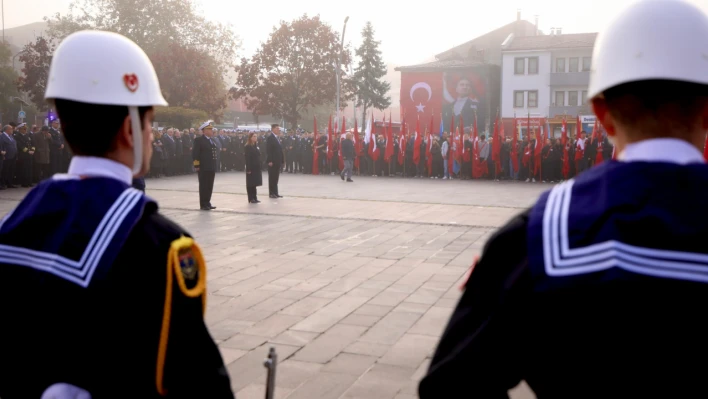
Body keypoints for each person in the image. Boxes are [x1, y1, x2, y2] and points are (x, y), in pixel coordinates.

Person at [419, 1, 708, 398]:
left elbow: (453, 385)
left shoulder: (541, 236)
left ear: (601, 113)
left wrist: (501, 272)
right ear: (707, 110)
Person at [0, 31, 233, 398]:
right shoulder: (158, 245)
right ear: (129, 130)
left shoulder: (14, 226)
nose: (153, 136)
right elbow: (200, 385)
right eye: (149, 123)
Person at [192, 120, 218, 211]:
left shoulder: (211, 140)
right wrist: (196, 165)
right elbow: (195, 154)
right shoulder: (199, 140)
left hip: (211, 166)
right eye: (209, 129)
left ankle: (208, 202)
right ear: (204, 131)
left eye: (211, 129)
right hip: (203, 167)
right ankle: (203, 204)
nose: (212, 131)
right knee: (203, 186)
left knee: (209, 185)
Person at [266, 123, 284, 198]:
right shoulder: (270, 138)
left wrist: (282, 160)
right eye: (277, 128)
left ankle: (275, 192)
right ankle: (271, 193)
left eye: (278, 128)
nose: (278, 130)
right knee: (272, 177)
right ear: (273, 129)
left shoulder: (277, 137)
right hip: (272, 161)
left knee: (276, 177)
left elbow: (280, 150)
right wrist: (269, 160)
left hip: (277, 161)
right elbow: (269, 150)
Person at [244, 132, 262, 203]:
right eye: (254, 136)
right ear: (250, 138)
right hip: (251, 167)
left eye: (256, 136)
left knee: (254, 183)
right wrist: (248, 168)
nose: (255, 138)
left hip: (256, 167)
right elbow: (247, 158)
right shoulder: (248, 146)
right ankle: (251, 198)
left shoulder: (255, 145)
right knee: (250, 183)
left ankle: (255, 197)